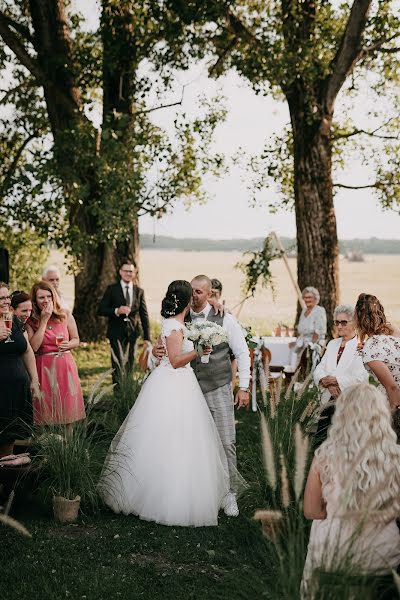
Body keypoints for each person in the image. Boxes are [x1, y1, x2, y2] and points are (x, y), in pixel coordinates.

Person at [99, 280, 229, 527]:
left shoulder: (179, 323)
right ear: (186, 300)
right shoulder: (174, 326)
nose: (195, 300)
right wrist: (200, 350)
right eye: (192, 296)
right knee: (166, 438)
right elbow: (176, 360)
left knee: (183, 439)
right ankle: (160, 497)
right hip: (173, 382)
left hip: (179, 382)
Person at [302, 384, 400, 597]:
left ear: (343, 415)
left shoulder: (325, 456)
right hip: (383, 557)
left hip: (332, 555)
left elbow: (312, 511)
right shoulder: (396, 456)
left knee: (321, 525)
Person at [26, 281, 85, 427]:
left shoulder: (64, 314)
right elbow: (33, 347)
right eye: (41, 298)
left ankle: (68, 447)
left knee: (67, 410)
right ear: (34, 300)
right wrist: (44, 320)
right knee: (44, 410)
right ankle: (47, 446)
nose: (46, 300)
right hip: (43, 367)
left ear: (54, 297)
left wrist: (68, 345)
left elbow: (76, 339)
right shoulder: (31, 320)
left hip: (64, 365)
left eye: (48, 296)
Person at [313, 304, 368, 446]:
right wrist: (325, 380)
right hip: (327, 400)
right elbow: (319, 369)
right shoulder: (332, 344)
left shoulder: (361, 346)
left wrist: (336, 381)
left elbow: (361, 376)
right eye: (337, 322)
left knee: (345, 442)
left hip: (348, 401)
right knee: (322, 440)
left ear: (354, 323)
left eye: (344, 322)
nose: (339, 326)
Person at [0, 282, 39, 457]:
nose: (6, 301)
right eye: (1, 298)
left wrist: (34, 380)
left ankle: (6, 477)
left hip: (17, 389)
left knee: (11, 435)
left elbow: (27, 350)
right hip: (1, 390)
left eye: (7, 296)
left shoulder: (13, 319)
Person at [98, 259, 151, 384]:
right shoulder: (111, 289)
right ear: (120, 272)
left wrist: (147, 338)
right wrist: (117, 310)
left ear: (134, 273)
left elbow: (144, 315)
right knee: (117, 364)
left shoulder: (139, 291)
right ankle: (117, 393)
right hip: (115, 332)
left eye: (131, 271)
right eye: (126, 271)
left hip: (133, 333)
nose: (128, 273)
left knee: (130, 364)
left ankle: (127, 390)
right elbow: (101, 309)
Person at [355, 293, 400, 412]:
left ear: (358, 319)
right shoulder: (394, 331)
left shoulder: (370, 349)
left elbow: (392, 388)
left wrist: (393, 419)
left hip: (393, 399)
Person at [293, 287, 327, 370]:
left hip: (314, 346)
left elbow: (317, 332)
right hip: (302, 346)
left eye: (309, 297)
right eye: (305, 297)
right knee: (299, 369)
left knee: (309, 369)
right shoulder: (304, 311)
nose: (307, 300)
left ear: (315, 299)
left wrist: (310, 348)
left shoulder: (319, 311)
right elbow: (301, 331)